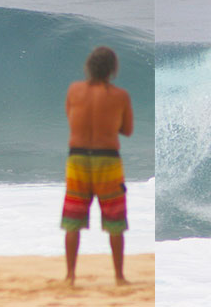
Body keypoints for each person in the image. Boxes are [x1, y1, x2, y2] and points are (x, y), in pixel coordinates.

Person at [61, 46, 134, 286]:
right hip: (108, 160)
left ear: (89, 67)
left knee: (73, 220)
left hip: (78, 159)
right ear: (112, 69)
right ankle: (119, 277)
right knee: (115, 221)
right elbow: (128, 130)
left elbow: (70, 118)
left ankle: (70, 276)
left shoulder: (73, 89)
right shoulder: (120, 95)